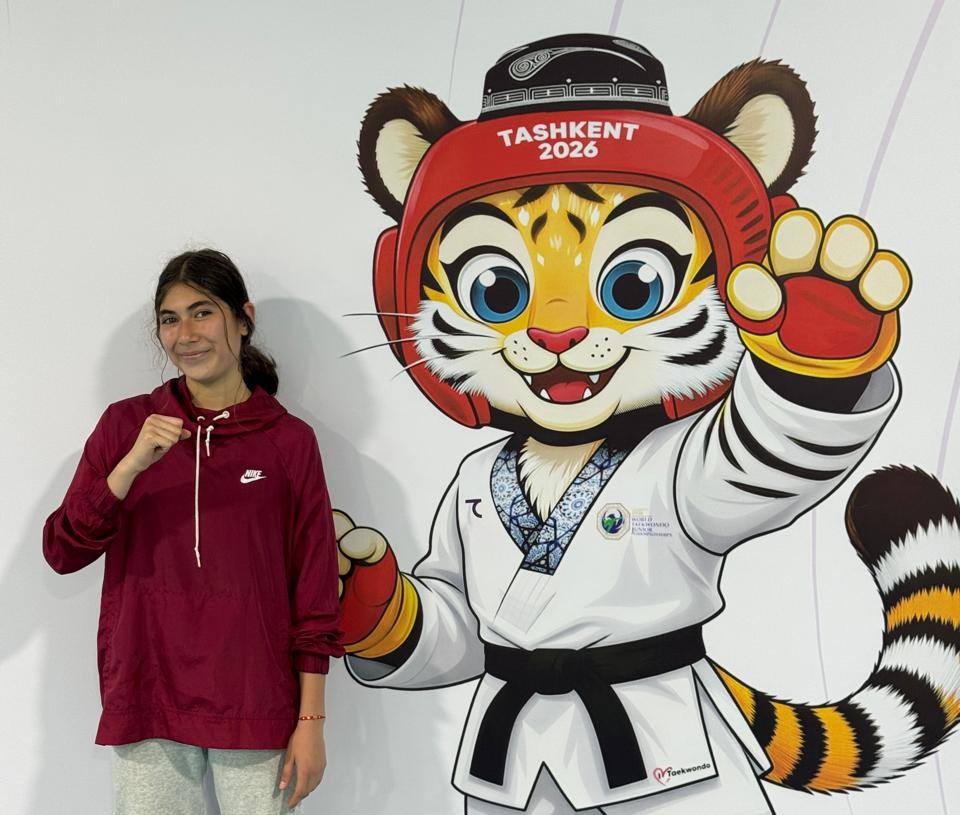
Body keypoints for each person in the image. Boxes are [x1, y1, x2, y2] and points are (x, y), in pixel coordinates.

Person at [43, 249, 343, 814]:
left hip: (256, 701)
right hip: (148, 691)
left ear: (243, 318)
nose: (186, 334)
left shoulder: (289, 442)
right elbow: (62, 550)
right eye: (170, 318)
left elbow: (315, 593)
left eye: (203, 312)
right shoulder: (126, 426)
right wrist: (130, 467)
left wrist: (311, 721)